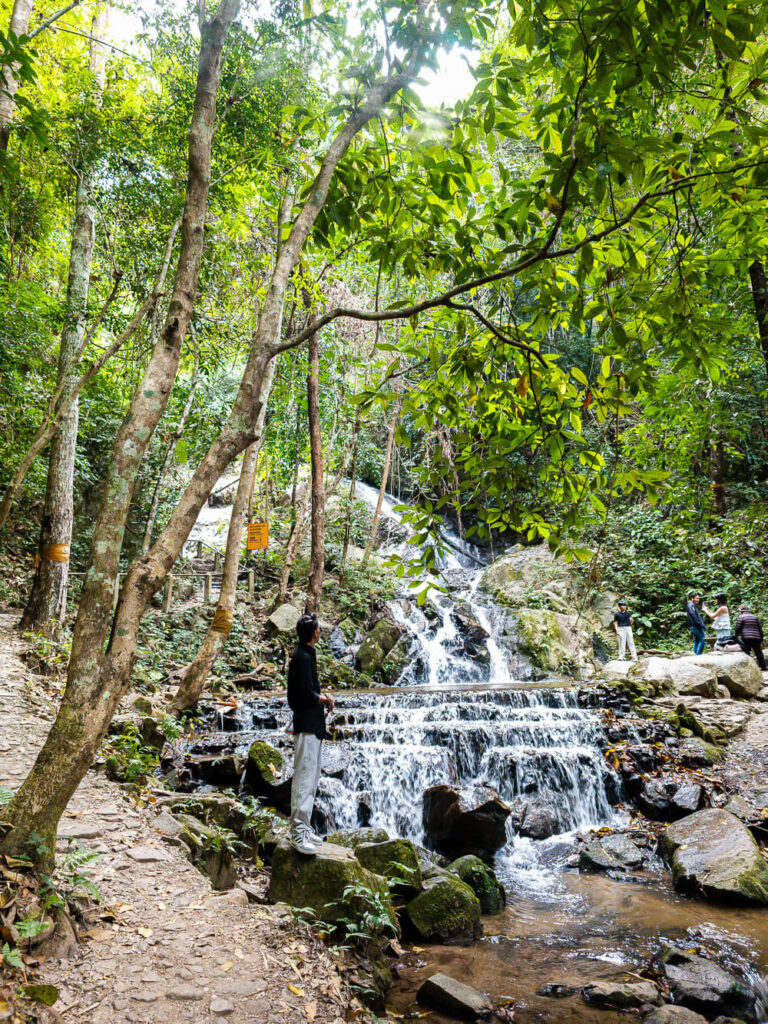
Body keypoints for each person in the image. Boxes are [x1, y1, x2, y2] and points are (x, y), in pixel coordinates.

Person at [287, 613, 335, 855]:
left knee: (312, 777)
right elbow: (302, 695)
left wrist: (320, 697)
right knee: (304, 778)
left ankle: (304, 828)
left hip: (312, 724)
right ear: (314, 633)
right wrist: (321, 698)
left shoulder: (306, 656)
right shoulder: (302, 658)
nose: (320, 631)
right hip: (306, 724)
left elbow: (307, 691)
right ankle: (297, 832)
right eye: (318, 628)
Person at [734, 604, 767, 671]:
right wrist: (761, 638)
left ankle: (748, 668)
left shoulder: (741, 617)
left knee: (746, 652)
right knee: (758, 653)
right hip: (756, 637)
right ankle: (763, 667)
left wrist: (735, 636)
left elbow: (738, 628)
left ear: (741, 611)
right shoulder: (755, 617)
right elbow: (759, 629)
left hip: (746, 638)